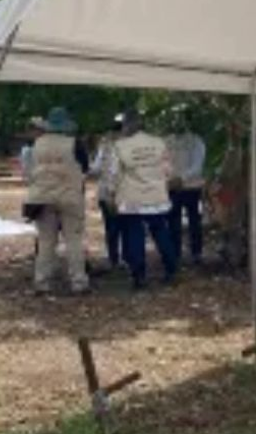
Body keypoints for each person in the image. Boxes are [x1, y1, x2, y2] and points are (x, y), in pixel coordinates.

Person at [112, 108, 177, 290]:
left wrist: (111, 194)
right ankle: (171, 269)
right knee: (161, 232)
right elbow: (169, 171)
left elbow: (114, 174)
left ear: (125, 126)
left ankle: (139, 275)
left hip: (132, 199)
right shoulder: (158, 143)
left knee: (135, 235)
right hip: (157, 197)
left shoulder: (120, 146)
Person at [26, 107, 89, 294]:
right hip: (70, 196)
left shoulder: (36, 145)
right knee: (74, 241)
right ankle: (79, 281)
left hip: (42, 196)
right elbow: (85, 167)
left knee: (46, 241)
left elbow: (30, 171)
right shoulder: (75, 143)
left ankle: (41, 281)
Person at [167, 130, 207, 266]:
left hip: (192, 188)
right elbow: (163, 163)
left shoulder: (196, 141)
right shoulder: (168, 141)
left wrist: (181, 178)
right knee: (173, 221)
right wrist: (168, 179)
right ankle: (175, 253)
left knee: (194, 221)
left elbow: (197, 165)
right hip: (172, 188)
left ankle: (196, 253)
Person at [92, 115, 125, 271]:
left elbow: (97, 168)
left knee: (111, 227)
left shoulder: (104, 145)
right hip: (123, 193)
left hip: (105, 192)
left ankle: (114, 258)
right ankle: (124, 258)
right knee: (125, 226)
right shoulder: (126, 146)